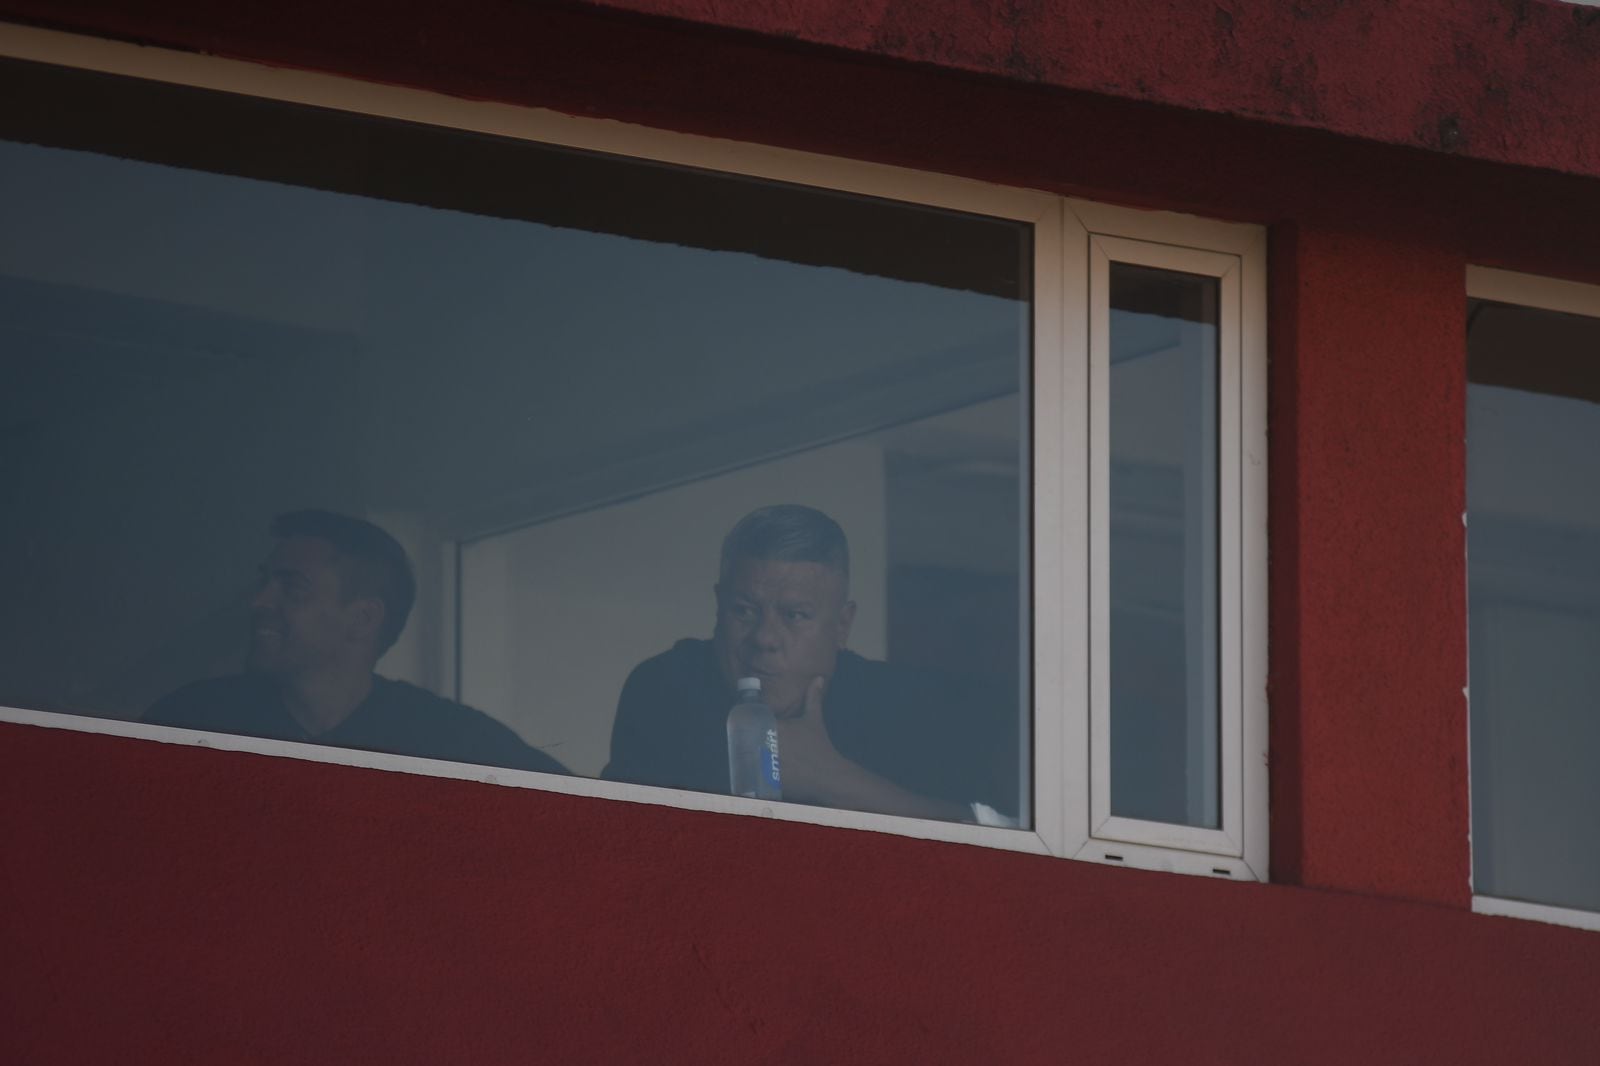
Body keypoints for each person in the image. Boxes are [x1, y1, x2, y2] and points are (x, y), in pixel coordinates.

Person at [602, 505, 1013, 824]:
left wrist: (827, 776)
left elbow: (991, 837)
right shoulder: (665, 688)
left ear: (842, 625)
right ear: (718, 606)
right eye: (743, 611)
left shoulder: (903, 706)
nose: (764, 638)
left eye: (795, 615)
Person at [145, 509, 567, 776]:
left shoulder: (455, 741)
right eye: (263, 582)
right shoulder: (191, 718)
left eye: (292, 588)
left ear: (362, 618)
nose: (259, 602)